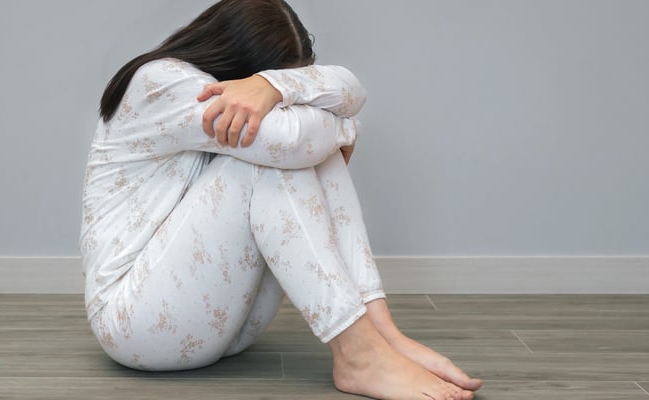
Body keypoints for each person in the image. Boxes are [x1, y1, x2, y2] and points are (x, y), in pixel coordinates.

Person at [80, 1, 483, 399]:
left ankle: (381, 335)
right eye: (270, 85)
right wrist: (343, 129)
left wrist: (275, 87)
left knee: (306, 153)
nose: (275, 99)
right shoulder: (159, 81)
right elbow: (290, 141)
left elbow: (352, 90)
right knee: (276, 158)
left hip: (230, 323)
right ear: (237, 60)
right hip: (136, 325)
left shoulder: (250, 87)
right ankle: (359, 355)